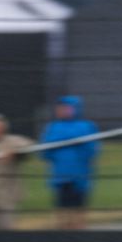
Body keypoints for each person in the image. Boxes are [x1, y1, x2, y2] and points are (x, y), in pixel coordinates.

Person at [41, 96, 99, 230]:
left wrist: (65, 143)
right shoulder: (53, 127)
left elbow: (91, 150)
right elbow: (45, 152)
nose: (61, 111)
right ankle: (62, 235)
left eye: (66, 108)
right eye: (59, 108)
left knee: (78, 210)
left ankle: (78, 231)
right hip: (60, 176)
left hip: (80, 176)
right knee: (61, 210)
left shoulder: (86, 126)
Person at [0, 114, 33, 230]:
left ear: (2, 127)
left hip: (7, 198)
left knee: (6, 232)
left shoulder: (13, 141)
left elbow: (29, 146)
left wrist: (16, 151)